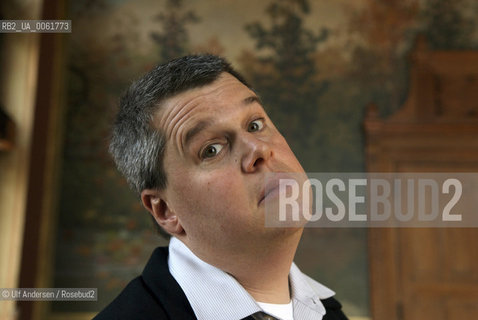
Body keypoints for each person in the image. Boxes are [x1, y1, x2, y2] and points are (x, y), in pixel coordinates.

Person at [94, 54, 348, 320]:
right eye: (211, 150)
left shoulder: (330, 313)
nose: (259, 149)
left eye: (255, 125)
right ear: (166, 210)